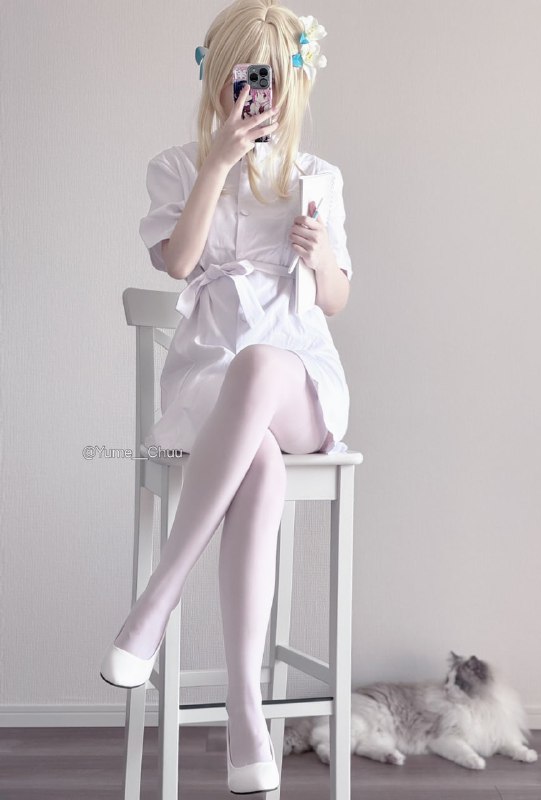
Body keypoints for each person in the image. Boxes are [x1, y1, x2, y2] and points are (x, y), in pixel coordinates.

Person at [100, 0, 353, 791]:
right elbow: (177, 264)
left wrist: (320, 258)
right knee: (258, 461)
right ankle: (246, 716)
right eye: (241, 78)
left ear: (293, 85)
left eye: (269, 80)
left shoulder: (316, 178)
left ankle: (157, 599)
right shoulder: (177, 167)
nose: (253, 96)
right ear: (214, 78)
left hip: (300, 387)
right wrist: (216, 164)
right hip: (212, 385)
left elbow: (336, 300)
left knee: (262, 366)